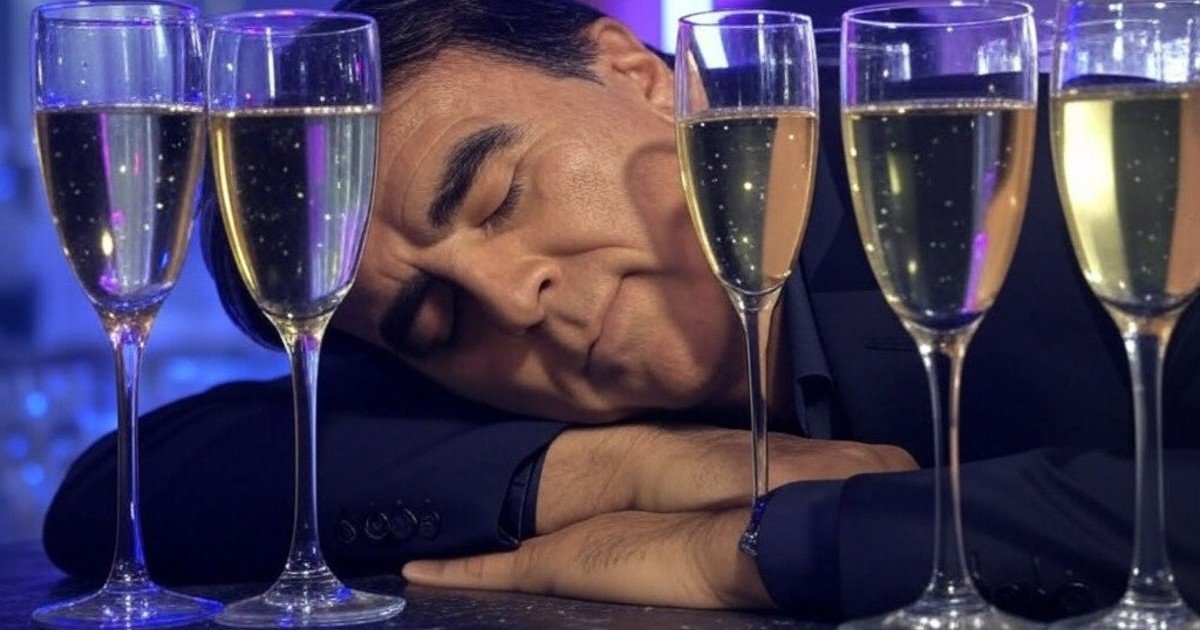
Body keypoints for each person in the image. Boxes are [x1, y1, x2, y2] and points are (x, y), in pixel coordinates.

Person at [43, 0, 1200, 623]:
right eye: (437, 324)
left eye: (498, 195)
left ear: (641, 78)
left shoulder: (1023, 179)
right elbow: (124, 491)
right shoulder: (476, 375)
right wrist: (616, 470)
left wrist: (779, 549)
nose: (510, 299)